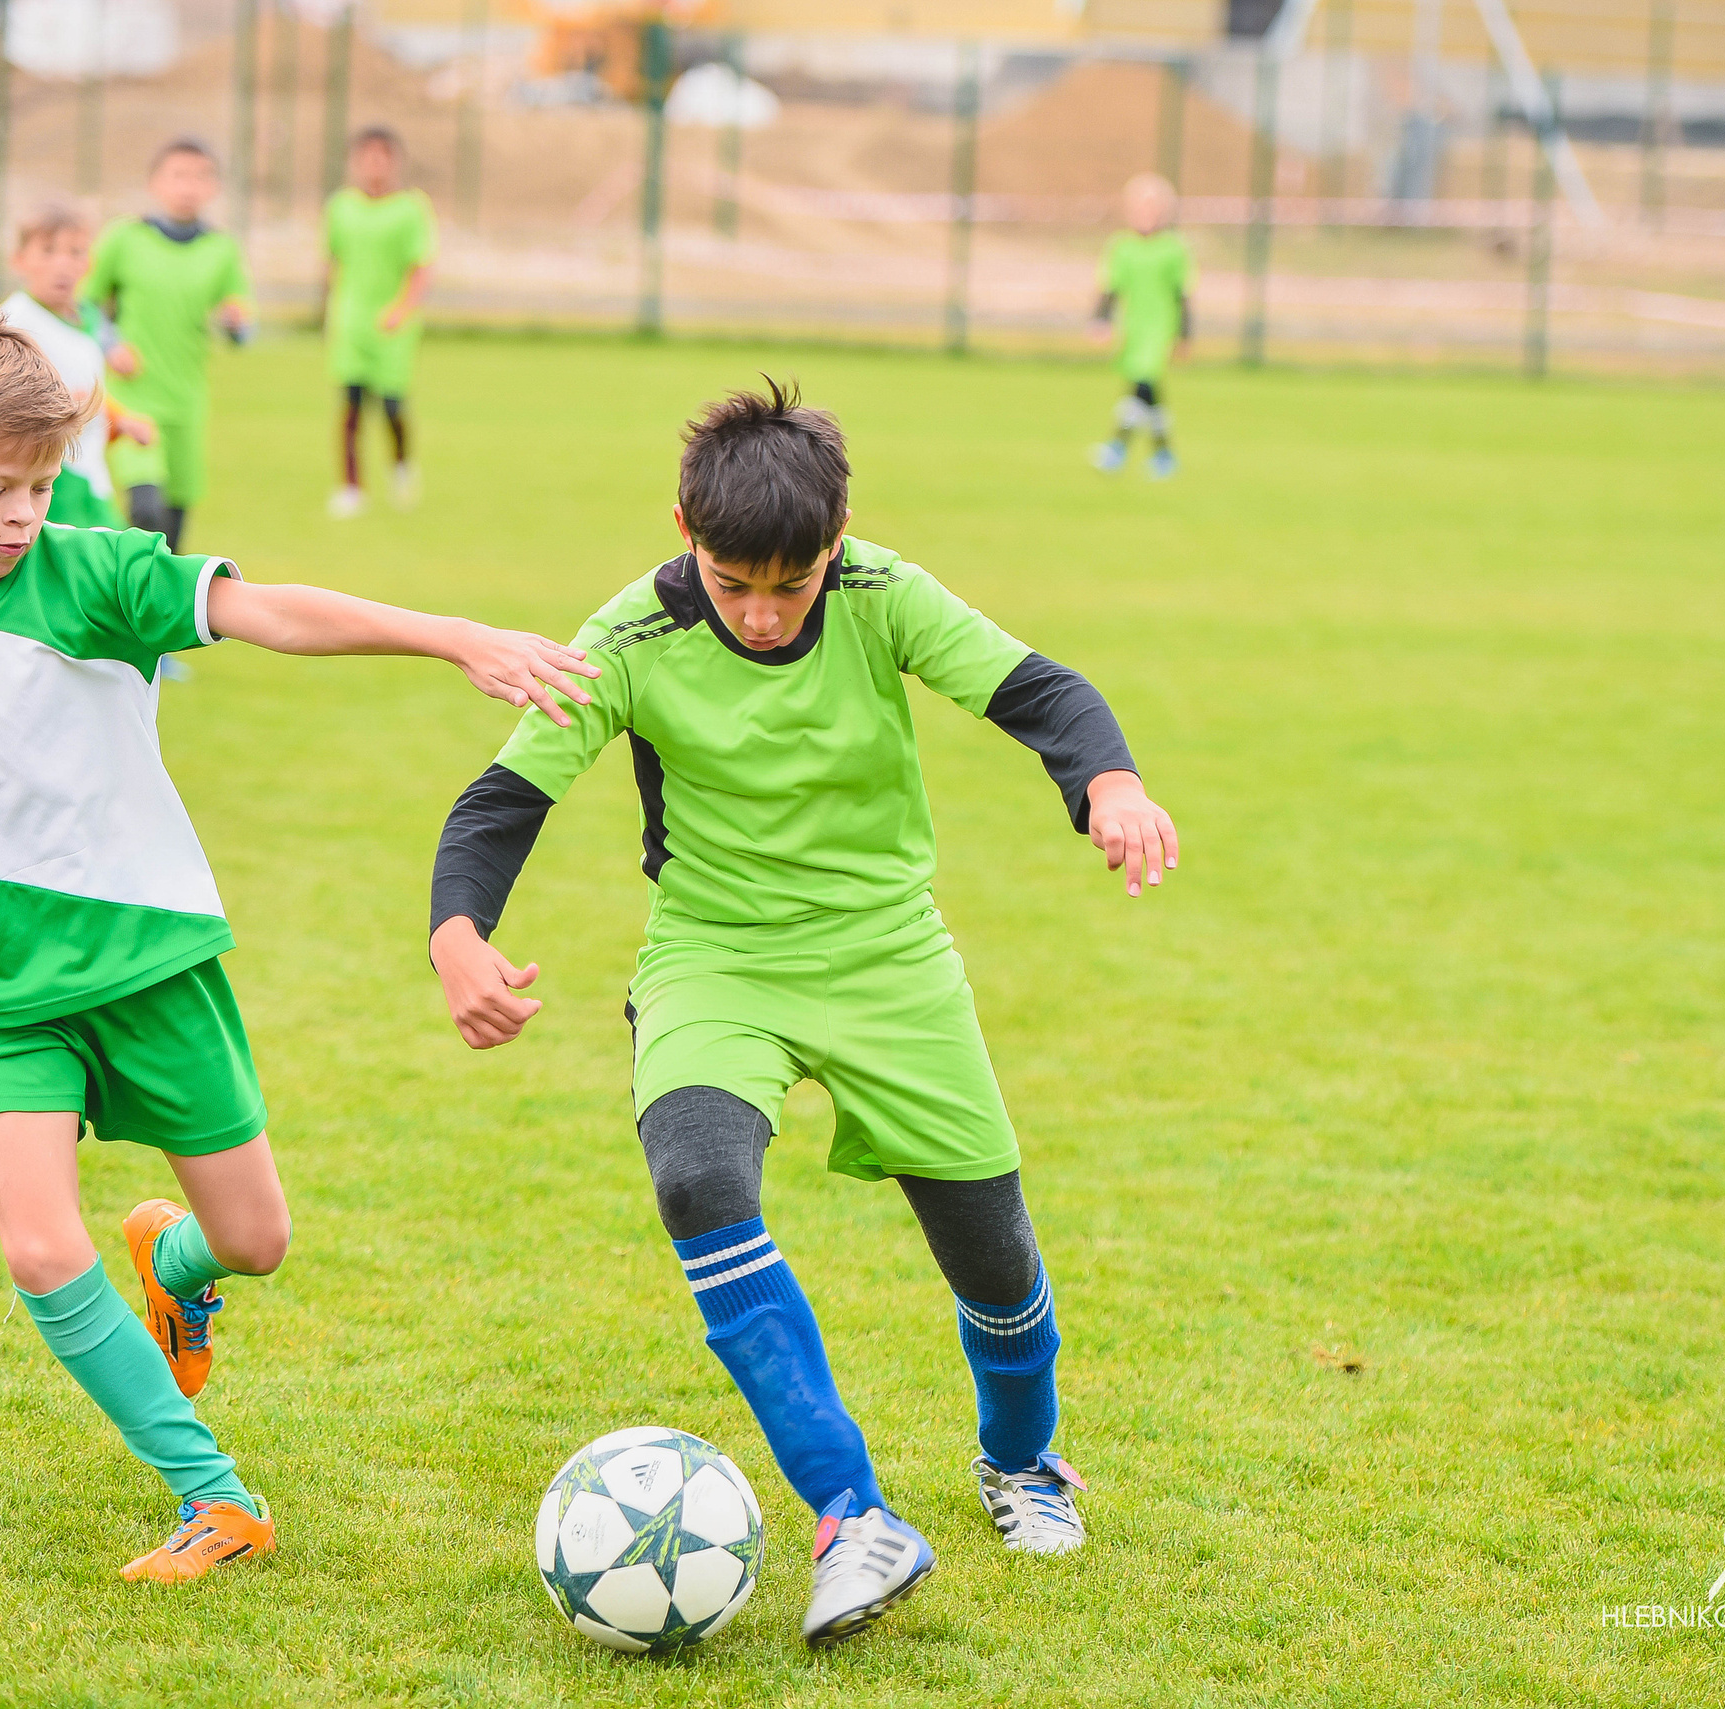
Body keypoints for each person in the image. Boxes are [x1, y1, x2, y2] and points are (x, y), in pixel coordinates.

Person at [0, 309, 597, 1583]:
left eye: (42, 484)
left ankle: (176, 1258)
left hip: (155, 971)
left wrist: (457, 636)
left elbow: (272, 614)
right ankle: (215, 1495)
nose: (24, 514)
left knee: (256, 1239)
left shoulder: (96, 574)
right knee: (42, 1247)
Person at [426, 380, 1180, 1648]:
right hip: (713, 958)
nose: (766, 613)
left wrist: (1108, 781)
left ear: (838, 540)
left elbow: (1040, 691)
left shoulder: (884, 593)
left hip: (891, 959)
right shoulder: (628, 635)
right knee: (697, 1179)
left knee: (993, 1258)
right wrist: (458, 932)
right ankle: (852, 1514)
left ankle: (1023, 1461)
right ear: (684, 532)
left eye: (795, 582)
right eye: (735, 586)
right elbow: (503, 800)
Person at [83, 138, 251, 551]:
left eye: (199, 177)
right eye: (178, 175)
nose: (187, 186)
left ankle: (159, 592)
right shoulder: (124, 238)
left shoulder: (221, 250)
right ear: (155, 183)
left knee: (175, 525)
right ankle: (124, 582)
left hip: (187, 401)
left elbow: (243, 328)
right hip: (134, 398)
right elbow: (84, 302)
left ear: (213, 187)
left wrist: (236, 323)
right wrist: (110, 343)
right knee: (145, 509)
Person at [0, 200, 154, 531]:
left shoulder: (88, 317)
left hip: (89, 473)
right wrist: (55, 408)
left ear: (90, 262)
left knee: (111, 553)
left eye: (75, 252)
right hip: (47, 478)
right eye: (48, 251)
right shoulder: (13, 323)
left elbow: (85, 388)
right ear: (19, 259)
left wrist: (121, 421)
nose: (63, 264)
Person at [322, 124, 435, 519]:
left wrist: (403, 309)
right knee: (350, 406)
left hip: (392, 323)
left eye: (381, 158)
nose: (374, 166)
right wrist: (331, 310)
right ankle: (351, 487)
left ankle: (402, 466)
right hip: (351, 321)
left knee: (391, 405)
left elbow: (421, 266)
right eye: (366, 158)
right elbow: (332, 261)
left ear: (394, 162)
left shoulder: (410, 209)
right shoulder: (341, 207)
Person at [1088, 173, 1194, 480]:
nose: (1146, 214)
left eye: (1152, 207)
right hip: (1133, 327)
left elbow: (1182, 294)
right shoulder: (1122, 247)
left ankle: (1118, 447)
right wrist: (1101, 320)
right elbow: (1111, 286)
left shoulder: (1173, 249)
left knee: (1142, 386)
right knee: (1145, 392)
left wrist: (1184, 334)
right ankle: (1162, 454)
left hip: (1160, 328)